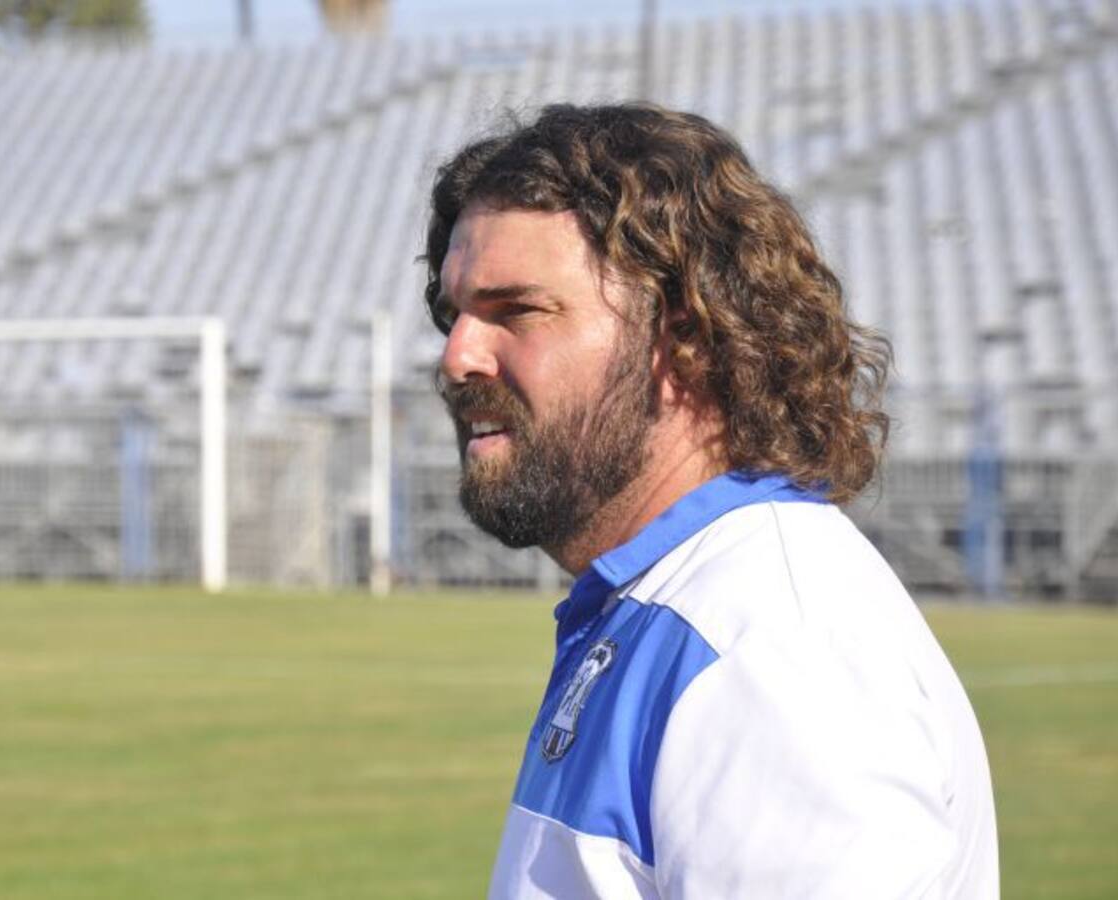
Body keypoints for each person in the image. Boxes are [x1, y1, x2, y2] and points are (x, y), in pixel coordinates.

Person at [422, 104, 998, 899]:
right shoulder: (679, 604)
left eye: (516, 310)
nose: (457, 356)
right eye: (453, 315)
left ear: (684, 336)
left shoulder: (771, 651)